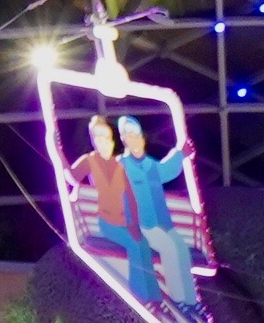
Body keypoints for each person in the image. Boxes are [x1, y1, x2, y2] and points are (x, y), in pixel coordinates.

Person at [68, 113, 159, 301]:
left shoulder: (118, 164)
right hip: (107, 220)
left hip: (123, 218)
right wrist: (58, 152)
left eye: (105, 136)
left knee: (142, 243)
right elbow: (71, 177)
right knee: (136, 244)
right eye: (97, 136)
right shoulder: (90, 160)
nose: (102, 141)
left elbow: (131, 195)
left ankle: (151, 291)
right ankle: (138, 292)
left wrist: (134, 221)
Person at [116, 114, 199, 309]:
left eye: (136, 134)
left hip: (162, 223)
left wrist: (181, 153)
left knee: (181, 248)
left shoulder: (149, 164)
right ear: (123, 139)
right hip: (142, 225)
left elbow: (167, 170)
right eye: (129, 135)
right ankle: (179, 300)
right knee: (169, 248)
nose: (134, 139)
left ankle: (191, 300)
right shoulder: (121, 165)